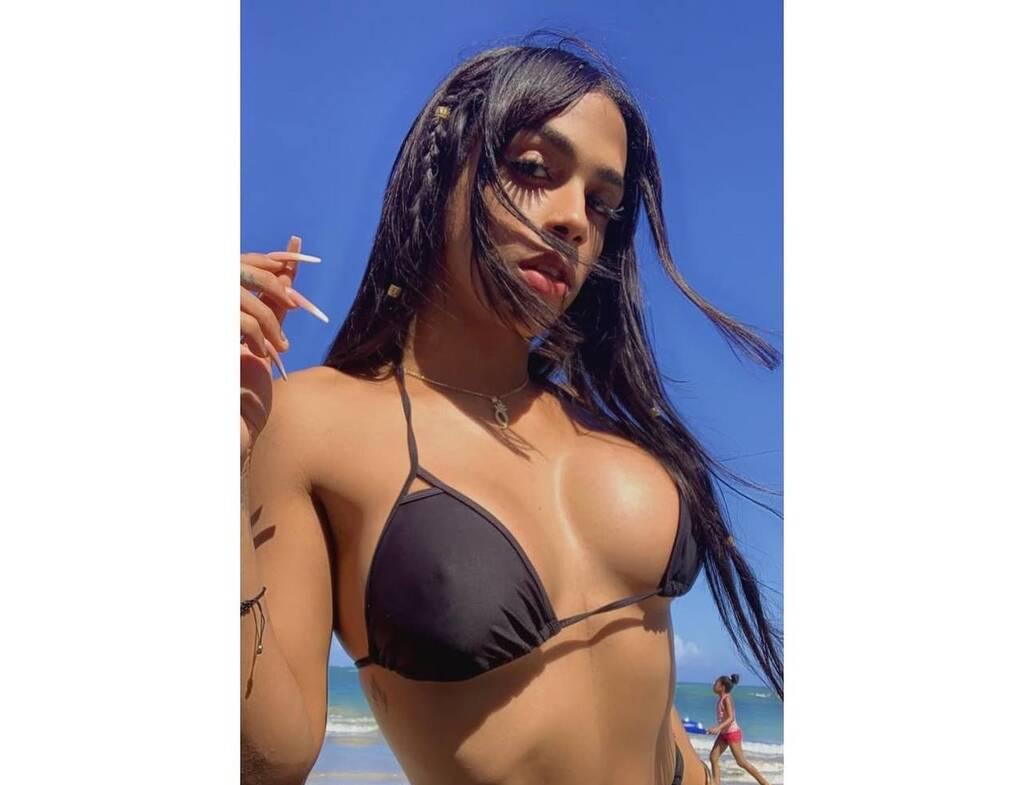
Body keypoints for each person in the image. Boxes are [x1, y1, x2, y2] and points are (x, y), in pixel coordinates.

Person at [240, 33, 782, 785]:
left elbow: (642, 703)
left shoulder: (609, 427)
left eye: (601, 202)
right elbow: (269, 760)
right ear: (442, 174)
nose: (574, 219)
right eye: (533, 169)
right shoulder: (310, 422)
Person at [706, 675, 770, 785]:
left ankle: (765, 783)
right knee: (713, 757)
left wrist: (718, 728)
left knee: (741, 762)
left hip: (732, 733)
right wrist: (717, 728)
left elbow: (731, 718)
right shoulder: (721, 699)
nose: (714, 685)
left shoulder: (727, 698)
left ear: (722, 687)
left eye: (716, 683)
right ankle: (716, 783)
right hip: (724, 734)